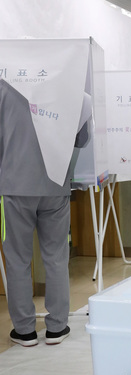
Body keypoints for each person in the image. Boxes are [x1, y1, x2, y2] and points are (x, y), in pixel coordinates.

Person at [0, 80, 71, 347]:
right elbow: (82, 137)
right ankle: (57, 327)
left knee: (17, 260)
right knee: (56, 258)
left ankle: (25, 330)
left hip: (14, 186)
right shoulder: (66, 85)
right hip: (55, 186)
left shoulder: (4, 87)